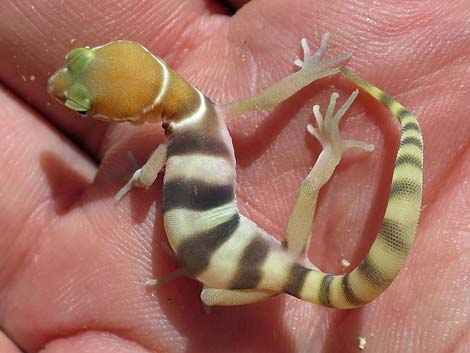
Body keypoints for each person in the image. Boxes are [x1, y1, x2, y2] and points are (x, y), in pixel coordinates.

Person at [0, 1, 468, 352]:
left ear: (138, 114)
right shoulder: (206, 117)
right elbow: (264, 101)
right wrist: (312, 78)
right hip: (243, 259)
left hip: (232, 267)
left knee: (211, 291)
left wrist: (139, 178)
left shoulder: (176, 139)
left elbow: (146, 180)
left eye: (80, 62)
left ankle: (201, 269)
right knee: (297, 201)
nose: (63, 78)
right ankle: (362, 142)